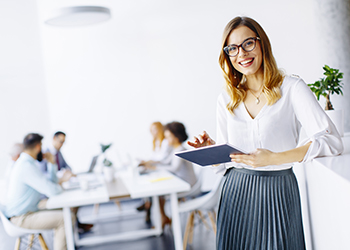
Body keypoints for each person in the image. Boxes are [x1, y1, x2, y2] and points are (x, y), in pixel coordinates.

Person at [188, 16, 343, 250]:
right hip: (235, 193)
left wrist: (274, 158)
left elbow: (331, 141)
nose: (242, 54)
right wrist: (211, 150)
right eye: (233, 49)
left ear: (262, 43)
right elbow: (223, 167)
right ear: (227, 55)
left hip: (278, 191)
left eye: (248, 43)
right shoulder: (227, 99)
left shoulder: (292, 88)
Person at [4, 133, 73, 250]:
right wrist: (61, 184)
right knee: (64, 218)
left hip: (28, 211)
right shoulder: (26, 167)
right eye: (41, 145)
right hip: (22, 217)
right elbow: (53, 190)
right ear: (37, 147)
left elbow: (52, 183)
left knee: (67, 210)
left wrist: (52, 164)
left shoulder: (28, 163)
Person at [145, 121, 197, 229]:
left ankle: (163, 219)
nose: (166, 139)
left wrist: (155, 167)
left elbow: (174, 168)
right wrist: (150, 163)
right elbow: (165, 162)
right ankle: (163, 218)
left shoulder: (181, 150)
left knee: (160, 193)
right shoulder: (175, 149)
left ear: (176, 137)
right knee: (160, 192)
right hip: (182, 181)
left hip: (188, 185)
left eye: (168, 137)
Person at [137, 122, 173, 222]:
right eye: (151, 130)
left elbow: (162, 160)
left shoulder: (166, 142)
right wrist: (146, 162)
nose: (153, 132)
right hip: (158, 168)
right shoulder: (156, 142)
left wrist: (149, 163)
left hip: (163, 170)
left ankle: (148, 206)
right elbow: (154, 157)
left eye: (155, 129)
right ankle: (148, 204)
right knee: (145, 180)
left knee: (155, 187)